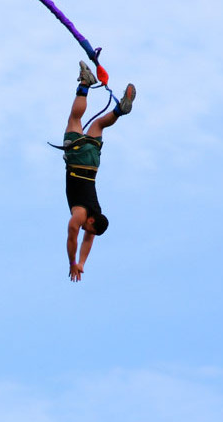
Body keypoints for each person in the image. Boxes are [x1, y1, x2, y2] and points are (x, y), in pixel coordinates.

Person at [62, 61, 136, 282]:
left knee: (98, 126)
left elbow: (87, 240)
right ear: (92, 222)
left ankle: (118, 111)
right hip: (77, 160)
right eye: (89, 229)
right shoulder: (81, 216)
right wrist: (72, 262)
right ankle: (85, 83)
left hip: (93, 163)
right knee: (75, 120)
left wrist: (83, 263)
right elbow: (73, 238)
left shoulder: (96, 212)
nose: (87, 230)